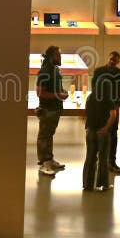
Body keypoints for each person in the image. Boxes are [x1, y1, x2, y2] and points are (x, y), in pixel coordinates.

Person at [90, 51, 120, 174]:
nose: (112, 62)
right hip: (100, 107)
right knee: (97, 131)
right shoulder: (98, 71)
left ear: (118, 62)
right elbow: (94, 87)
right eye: (111, 59)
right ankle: (95, 159)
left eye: (115, 60)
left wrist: (119, 104)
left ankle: (111, 161)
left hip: (113, 107)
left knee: (113, 133)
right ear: (108, 58)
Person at [36, 46, 68, 176]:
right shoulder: (44, 72)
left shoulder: (55, 70)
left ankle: (49, 159)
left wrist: (62, 91)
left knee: (49, 135)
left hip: (55, 108)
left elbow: (56, 88)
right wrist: (58, 95)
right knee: (44, 136)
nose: (60, 58)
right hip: (47, 109)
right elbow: (40, 93)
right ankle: (44, 163)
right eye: (58, 56)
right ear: (50, 57)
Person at [82, 85, 117, 192]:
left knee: (90, 157)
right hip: (102, 132)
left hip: (91, 130)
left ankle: (87, 184)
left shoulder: (90, 97)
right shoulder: (108, 99)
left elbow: (86, 113)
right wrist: (106, 128)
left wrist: (88, 127)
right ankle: (103, 184)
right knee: (103, 158)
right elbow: (113, 114)